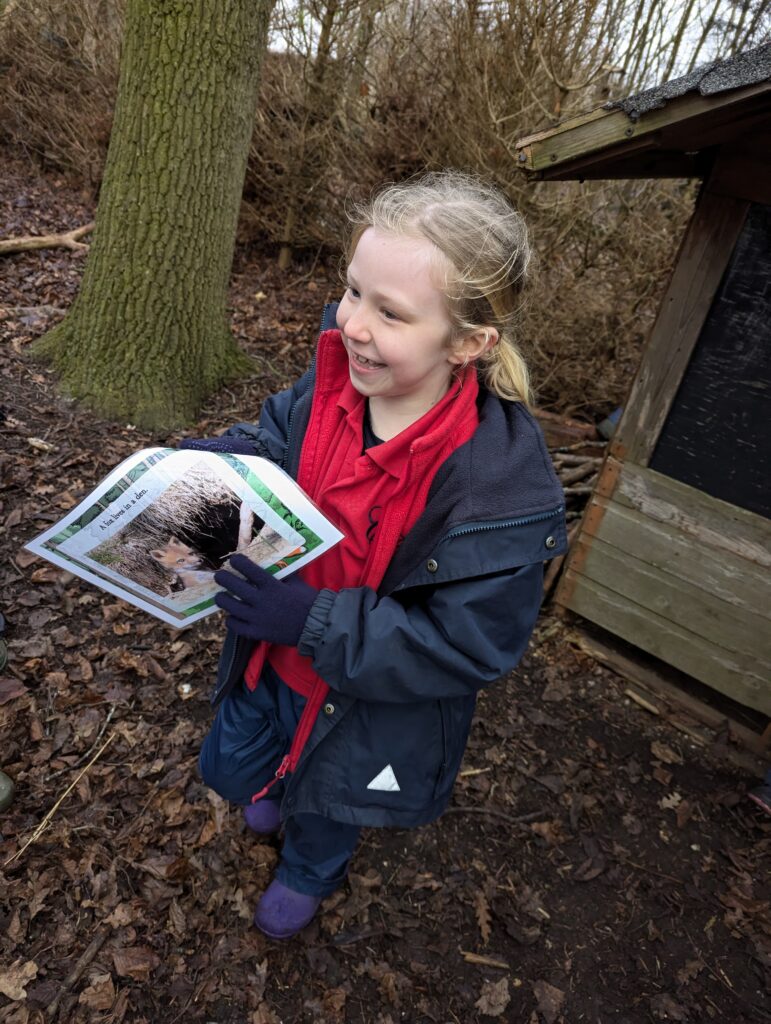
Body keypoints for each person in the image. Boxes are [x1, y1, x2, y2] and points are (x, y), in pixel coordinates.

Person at [180, 170, 567, 940]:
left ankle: (309, 869)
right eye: (353, 292)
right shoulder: (329, 385)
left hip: (364, 701)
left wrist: (315, 622)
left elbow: (470, 644)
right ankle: (274, 781)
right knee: (237, 762)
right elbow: (282, 439)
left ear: (468, 342)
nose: (353, 324)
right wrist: (240, 460)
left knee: (330, 797)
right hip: (268, 652)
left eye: (390, 312)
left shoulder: (499, 486)